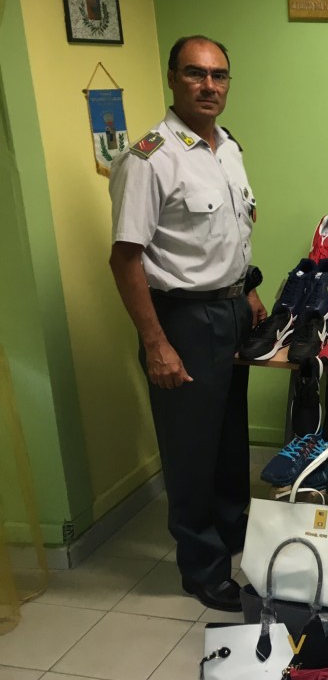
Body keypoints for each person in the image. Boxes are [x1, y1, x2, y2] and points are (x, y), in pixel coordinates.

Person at [108, 35, 266, 612]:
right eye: (196, 74)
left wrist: (247, 292)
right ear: (172, 78)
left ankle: (230, 537)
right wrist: (156, 343)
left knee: (227, 442)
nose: (209, 86)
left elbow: (230, 230)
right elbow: (125, 258)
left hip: (230, 308)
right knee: (190, 450)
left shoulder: (228, 148)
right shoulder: (150, 158)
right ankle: (201, 569)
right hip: (182, 320)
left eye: (219, 75)